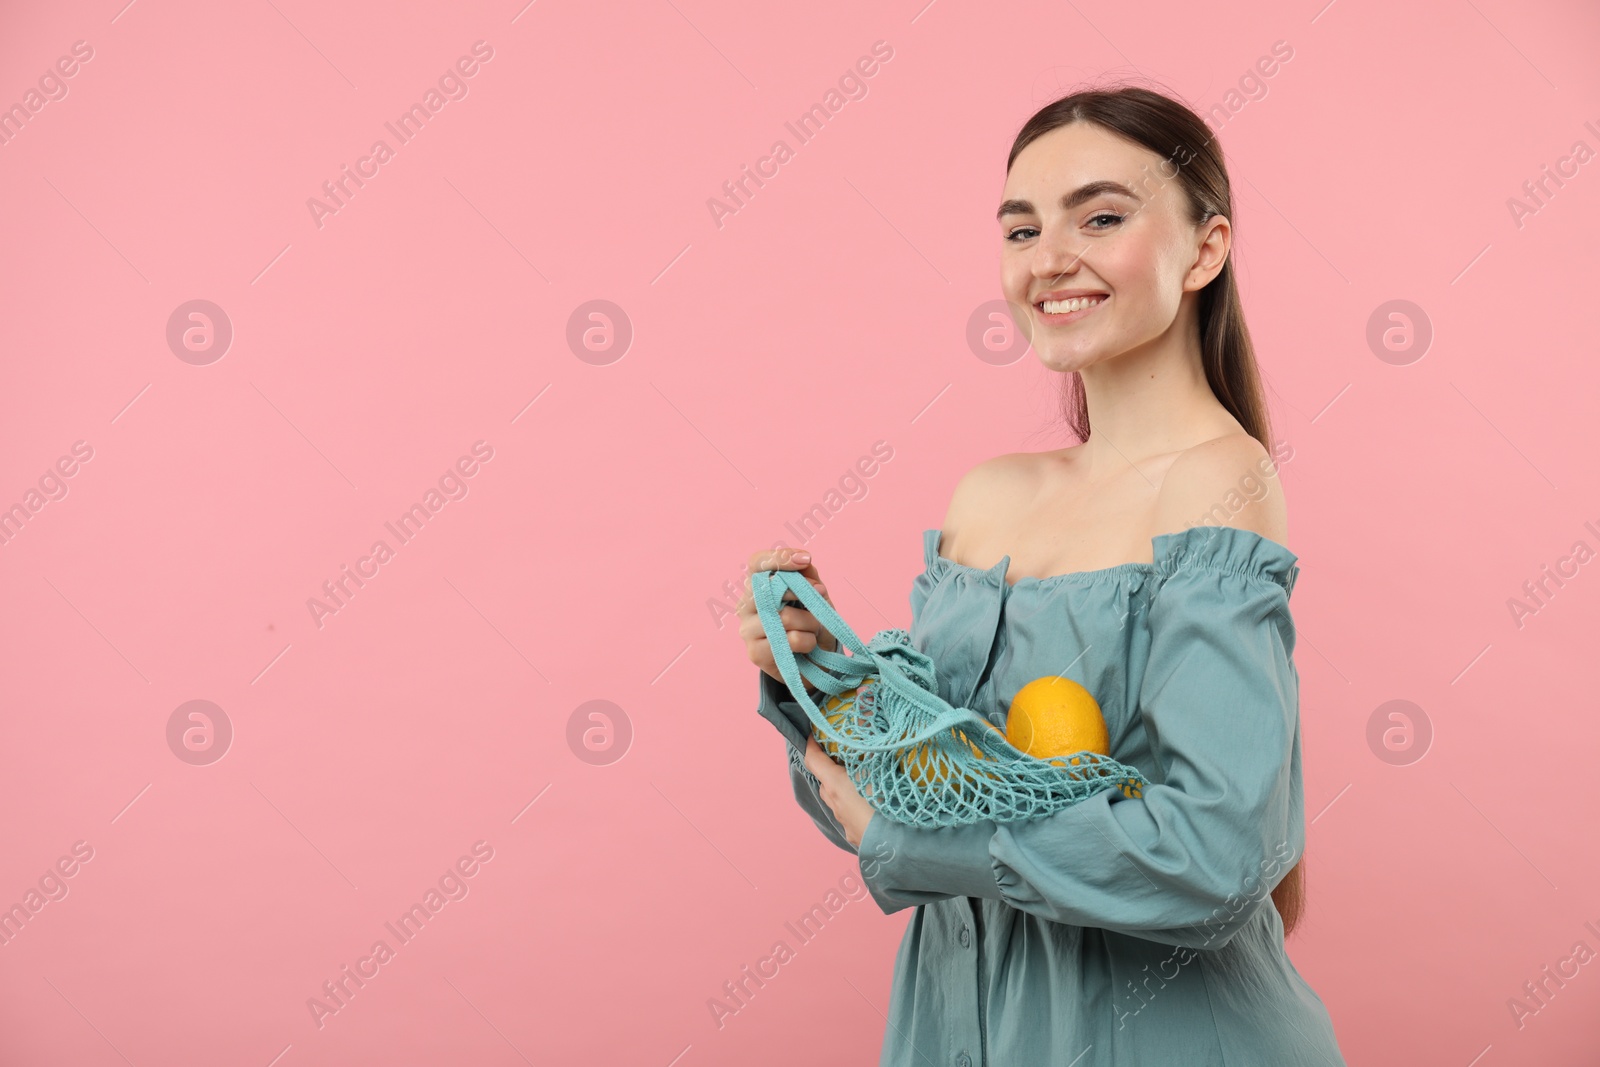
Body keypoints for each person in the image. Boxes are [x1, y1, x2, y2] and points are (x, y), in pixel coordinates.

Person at [734, 84, 1349, 1065]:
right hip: (958, 1028)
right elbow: (908, 789)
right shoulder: (989, 496)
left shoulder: (1217, 481)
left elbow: (1221, 856)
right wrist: (817, 675)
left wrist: (920, 849)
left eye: (1100, 217)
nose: (1048, 259)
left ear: (1205, 248)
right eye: (1021, 230)